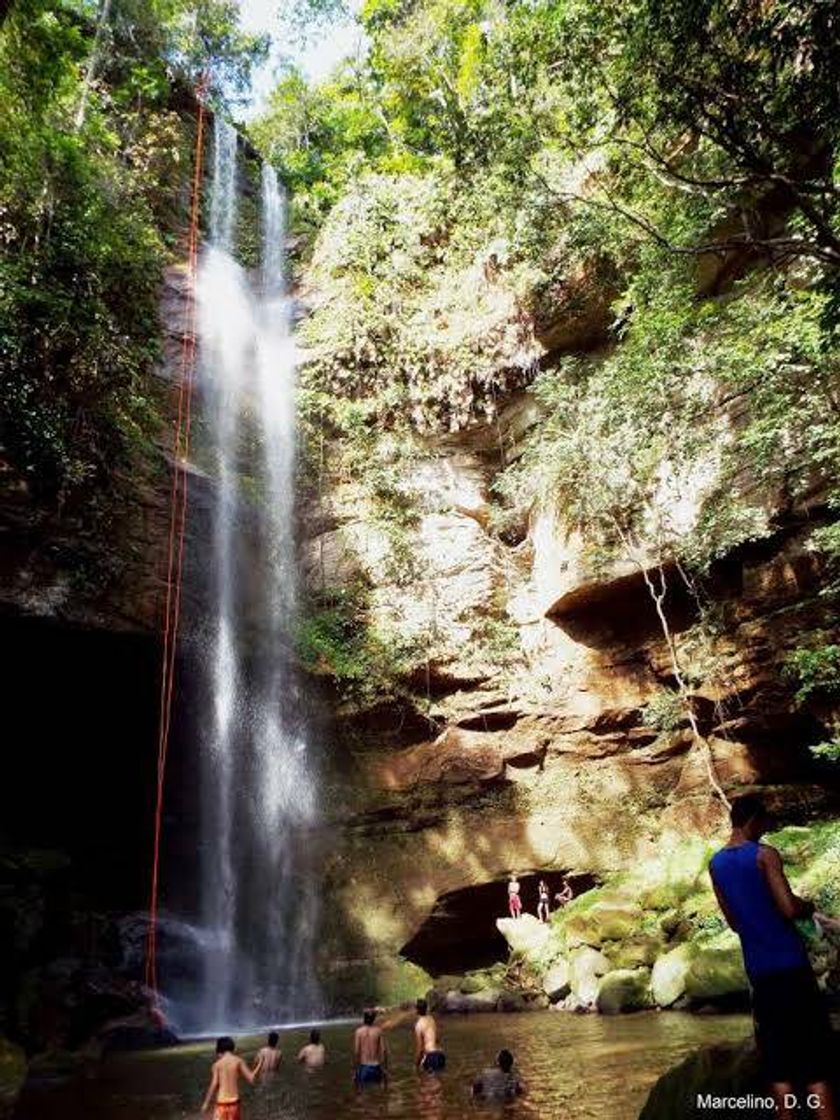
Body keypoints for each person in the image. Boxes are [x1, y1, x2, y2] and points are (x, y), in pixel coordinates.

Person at [709, 794, 836, 1120]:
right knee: (815, 1069)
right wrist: (808, 907)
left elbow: (735, 922)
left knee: (778, 1070)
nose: (766, 829)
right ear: (753, 820)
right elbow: (789, 907)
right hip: (792, 970)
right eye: (764, 822)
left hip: (760, 975)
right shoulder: (765, 856)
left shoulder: (716, 864)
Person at [201, 1036, 255, 1119]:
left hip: (221, 1104)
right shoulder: (239, 1061)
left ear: (219, 1050)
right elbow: (251, 1079)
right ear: (232, 1048)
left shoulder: (217, 1065)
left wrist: (206, 1103)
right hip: (234, 1103)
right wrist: (260, 1065)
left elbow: (214, 1084)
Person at [353, 1009, 388, 1086]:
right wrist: (385, 1069)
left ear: (364, 1019)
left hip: (364, 1066)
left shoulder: (359, 1032)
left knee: (361, 1093)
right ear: (373, 1019)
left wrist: (355, 1071)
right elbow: (384, 1051)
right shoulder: (378, 1031)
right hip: (376, 1066)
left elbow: (356, 1052)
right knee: (378, 1093)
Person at [414, 998, 446, 1072]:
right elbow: (437, 1039)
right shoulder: (431, 1019)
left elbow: (420, 1048)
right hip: (440, 1054)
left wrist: (416, 1065)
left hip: (431, 1056)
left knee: (429, 1081)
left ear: (416, 1010)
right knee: (439, 1080)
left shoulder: (418, 1025)